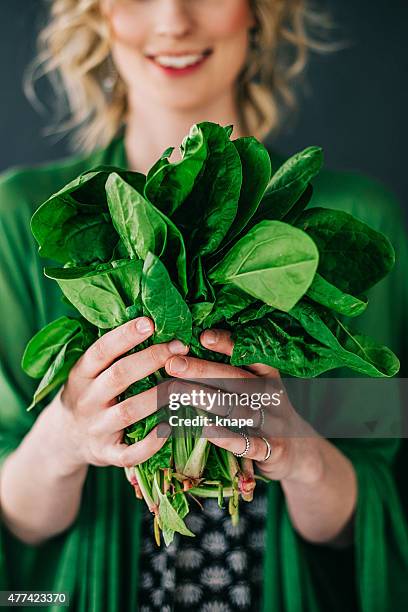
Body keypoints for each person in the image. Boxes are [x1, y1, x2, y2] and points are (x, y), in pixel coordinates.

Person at [0, 1, 407, 610]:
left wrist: (301, 454)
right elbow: (17, 524)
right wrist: (64, 437)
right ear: (96, 14)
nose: (173, 20)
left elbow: (371, 509)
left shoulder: (352, 224)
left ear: (260, 12)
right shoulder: (22, 219)